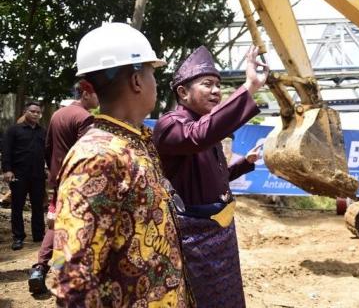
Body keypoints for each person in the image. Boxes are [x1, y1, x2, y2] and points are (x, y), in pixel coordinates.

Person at [50, 22, 190, 306]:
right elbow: (73, 279)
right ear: (137, 81)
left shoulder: (133, 143)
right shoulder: (98, 157)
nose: (155, 82)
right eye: (152, 73)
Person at [153, 45, 268, 307]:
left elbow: (215, 180)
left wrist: (244, 163)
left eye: (218, 85)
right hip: (195, 238)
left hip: (221, 232)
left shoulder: (208, 131)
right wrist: (248, 88)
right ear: (182, 92)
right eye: (208, 84)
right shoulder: (171, 124)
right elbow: (198, 135)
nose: (217, 91)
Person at [27, 81, 99, 295]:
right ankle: (63, 273)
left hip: (59, 179)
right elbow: (86, 154)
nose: (99, 100)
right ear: (86, 94)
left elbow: (48, 147)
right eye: (97, 95)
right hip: (77, 182)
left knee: (56, 225)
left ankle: (39, 269)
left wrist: (54, 174)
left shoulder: (58, 115)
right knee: (74, 229)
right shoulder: (85, 118)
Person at [1, 102, 46, 251]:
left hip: (38, 175)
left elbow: (47, 153)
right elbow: (6, 150)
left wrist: (51, 170)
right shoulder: (14, 130)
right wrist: (7, 170)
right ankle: (18, 237)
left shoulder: (42, 132)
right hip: (19, 174)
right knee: (17, 206)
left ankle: (39, 235)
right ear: (25, 111)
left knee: (38, 206)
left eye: (38, 112)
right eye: (32, 111)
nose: (35, 114)